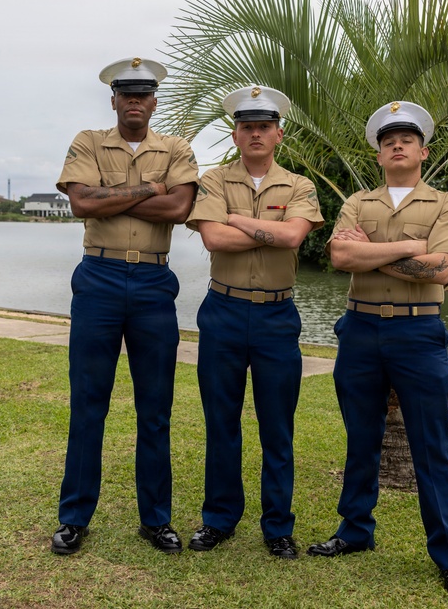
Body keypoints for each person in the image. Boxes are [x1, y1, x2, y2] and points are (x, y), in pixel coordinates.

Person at [306, 101, 448, 599]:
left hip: (418, 334)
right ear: (379, 155)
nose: (396, 145)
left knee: (432, 448)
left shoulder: (446, 204)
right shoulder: (358, 202)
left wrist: (371, 254)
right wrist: (408, 247)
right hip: (359, 331)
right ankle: (355, 532)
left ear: (422, 150)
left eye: (405, 139)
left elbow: (443, 270)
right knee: (361, 440)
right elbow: (340, 254)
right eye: (387, 141)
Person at [51, 56, 198, 556]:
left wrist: (111, 194)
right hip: (100, 277)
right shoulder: (89, 141)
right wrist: (151, 189)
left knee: (155, 409)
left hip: (155, 281)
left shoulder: (176, 147)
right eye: (126, 95)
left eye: (144, 95)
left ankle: (155, 520)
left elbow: (179, 209)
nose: (134, 102)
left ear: (155, 102)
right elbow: (81, 204)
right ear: (113, 100)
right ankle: (74, 517)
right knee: (88, 404)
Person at [185, 86, 323, 559]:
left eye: (265, 126)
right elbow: (212, 241)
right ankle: (219, 520)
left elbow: (291, 238)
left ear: (279, 134)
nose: (256, 133)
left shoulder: (300, 186)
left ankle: (277, 527)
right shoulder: (213, 180)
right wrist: (266, 230)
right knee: (221, 422)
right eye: (248, 127)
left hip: (277, 316)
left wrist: (238, 220)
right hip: (223, 312)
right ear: (235, 133)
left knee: (277, 426)